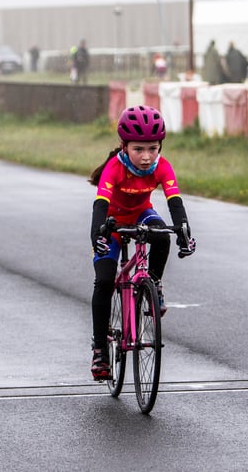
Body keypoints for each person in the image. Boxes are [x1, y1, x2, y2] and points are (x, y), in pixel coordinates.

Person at [87, 105, 196, 380]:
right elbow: (99, 206)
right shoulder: (114, 168)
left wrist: (184, 231)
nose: (146, 157)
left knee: (162, 234)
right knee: (104, 281)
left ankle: (154, 283)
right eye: (138, 149)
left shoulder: (162, 166)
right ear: (124, 146)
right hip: (111, 222)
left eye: (153, 148)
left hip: (141, 214)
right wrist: (97, 236)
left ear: (160, 146)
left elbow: (175, 203)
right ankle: (100, 349)